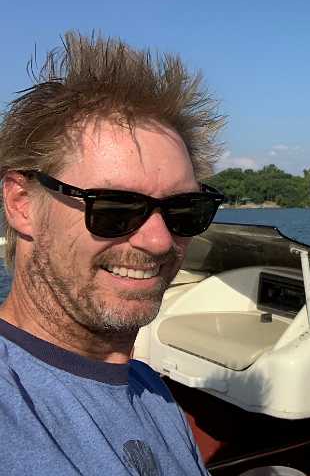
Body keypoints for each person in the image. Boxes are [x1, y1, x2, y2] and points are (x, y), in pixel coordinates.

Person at [0, 32, 226, 475]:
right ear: (22, 203)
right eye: (114, 209)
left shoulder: (150, 390)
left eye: (184, 210)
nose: (158, 241)